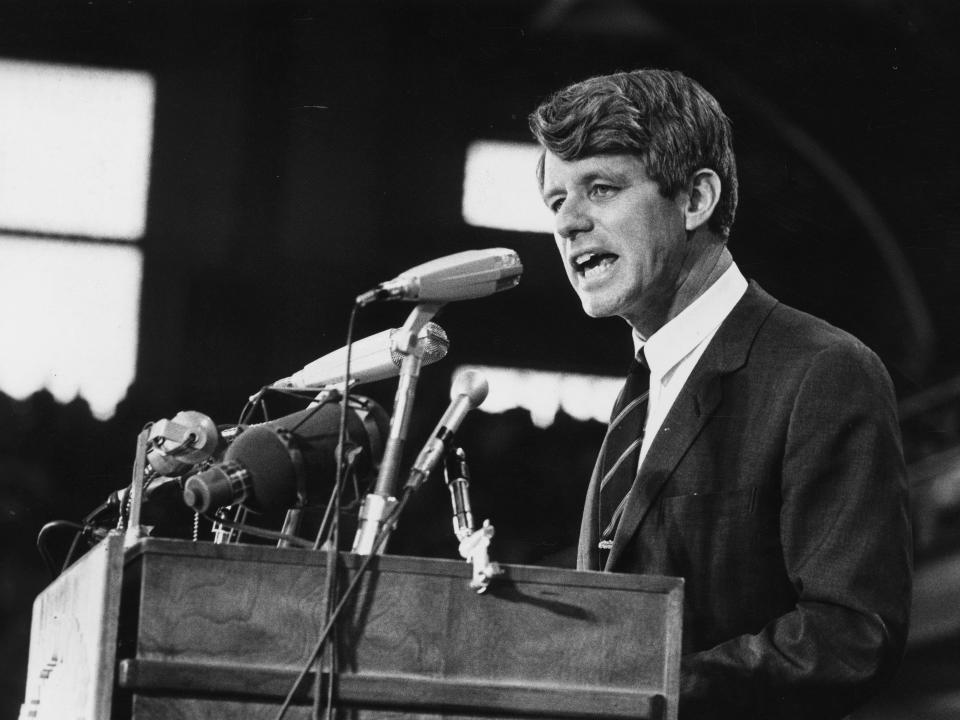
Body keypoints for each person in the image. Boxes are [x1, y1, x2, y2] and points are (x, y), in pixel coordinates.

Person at [528, 69, 912, 719]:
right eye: (556, 201)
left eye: (600, 188)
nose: (569, 223)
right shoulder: (642, 390)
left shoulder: (823, 370)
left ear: (697, 198)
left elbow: (849, 636)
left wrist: (643, 693)